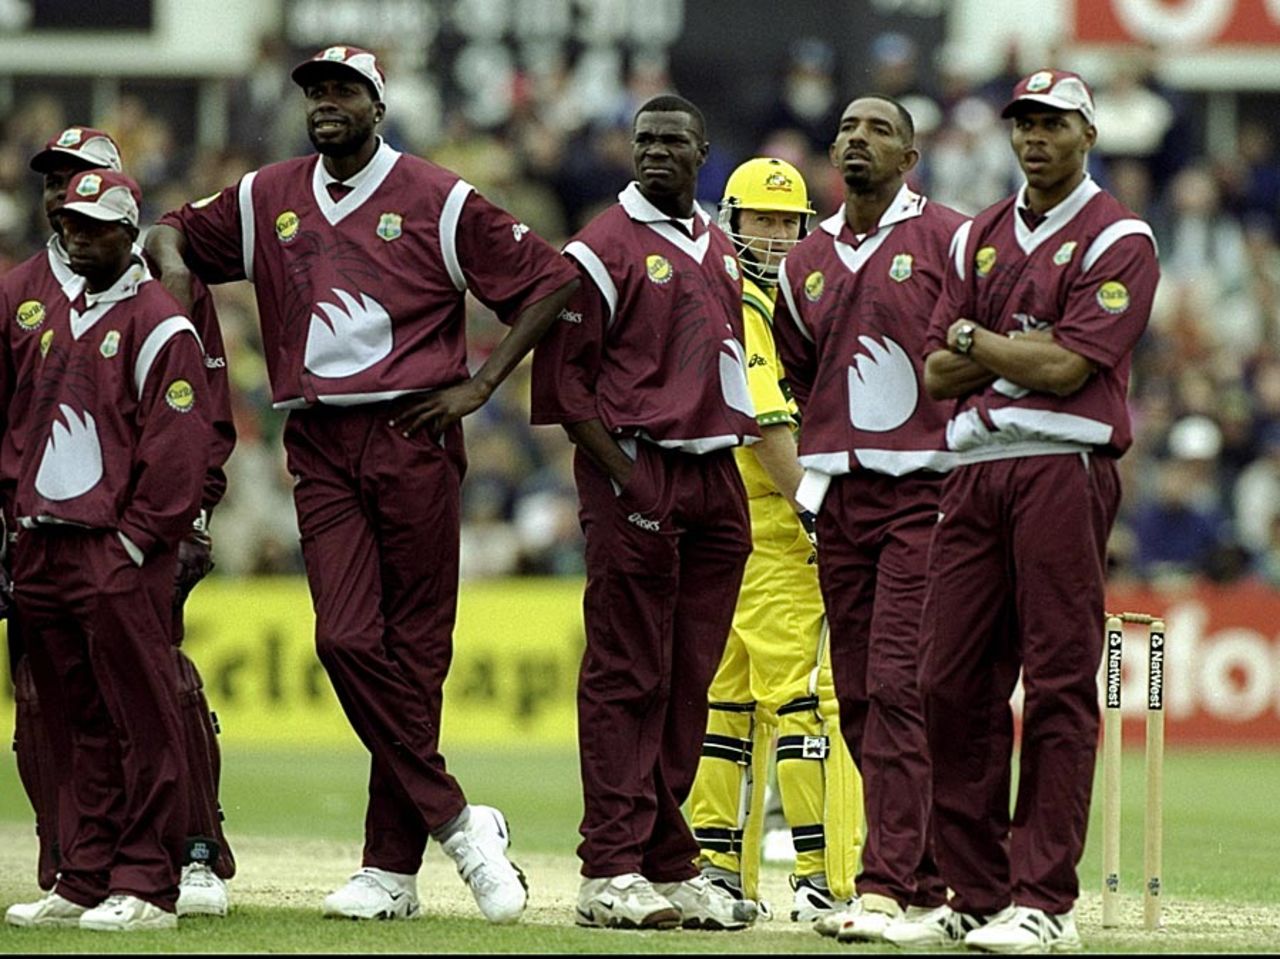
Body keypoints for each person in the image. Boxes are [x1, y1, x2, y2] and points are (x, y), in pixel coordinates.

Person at [144, 45, 579, 924]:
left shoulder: (436, 196)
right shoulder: (267, 194)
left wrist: (482, 386)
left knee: (415, 657)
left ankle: (390, 871)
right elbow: (167, 231)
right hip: (318, 437)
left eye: (345, 91)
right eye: (316, 91)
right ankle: (462, 822)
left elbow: (551, 278)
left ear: (380, 106)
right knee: (344, 638)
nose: (326, 103)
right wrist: (179, 272)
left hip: (414, 430)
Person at [886, 69, 1158, 952]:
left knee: (1057, 682)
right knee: (946, 680)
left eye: (1053, 124)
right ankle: (977, 890)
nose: (1035, 138)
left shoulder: (1120, 236)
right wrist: (1013, 346)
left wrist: (980, 340)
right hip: (973, 469)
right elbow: (936, 370)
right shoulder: (978, 236)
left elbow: (1069, 368)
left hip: (1061, 464)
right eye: (1025, 124)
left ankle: (1045, 901)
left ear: (1089, 134)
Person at [530, 94, 760, 932]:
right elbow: (565, 386)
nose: (656, 151)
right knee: (628, 671)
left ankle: (666, 859)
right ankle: (608, 867)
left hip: (716, 471)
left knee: (690, 676)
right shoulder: (599, 248)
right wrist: (629, 477)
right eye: (644, 140)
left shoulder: (718, 244)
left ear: (703, 151)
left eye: (673, 140)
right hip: (639, 466)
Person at [0, 126, 238, 921]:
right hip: (43, 542)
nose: (76, 232)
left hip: (115, 546)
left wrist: (139, 540)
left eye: (94, 223)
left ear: (128, 229)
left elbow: (181, 446)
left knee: (144, 712)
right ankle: (84, 872)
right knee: (75, 720)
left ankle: (150, 877)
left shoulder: (162, 315)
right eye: (69, 217)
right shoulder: (36, 299)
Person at [769, 96, 965, 942]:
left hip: (926, 491)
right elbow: (802, 370)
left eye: (880, 129)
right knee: (854, 694)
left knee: (896, 682)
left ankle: (883, 883)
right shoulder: (805, 259)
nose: (859, 138)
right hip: (842, 494)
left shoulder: (950, 239)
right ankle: (929, 878)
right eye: (848, 127)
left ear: (910, 157)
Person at [685, 156, 861, 923]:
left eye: (789, 222)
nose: (778, 235)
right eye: (763, 219)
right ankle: (821, 874)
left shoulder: (753, 295)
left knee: (726, 701)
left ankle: (719, 867)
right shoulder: (748, 300)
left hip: (726, 527)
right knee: (799, 699)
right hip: (775, 527)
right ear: (731, 220)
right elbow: (767, 424)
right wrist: (819, 511)